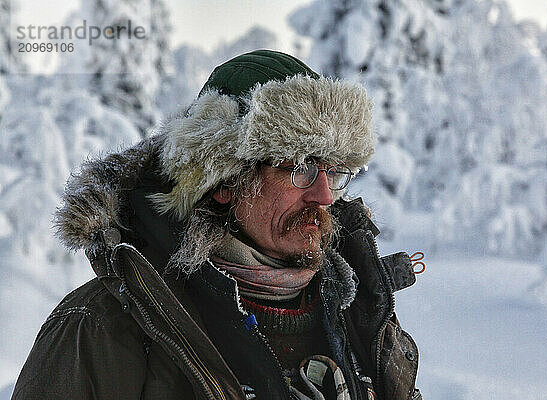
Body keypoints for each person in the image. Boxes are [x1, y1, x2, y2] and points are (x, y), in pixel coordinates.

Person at [12, 50, 421, 400]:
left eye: (331, 171)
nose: (325, 195)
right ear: (224, 182)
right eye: (299, 167)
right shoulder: (102, 329)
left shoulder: (358, 307)